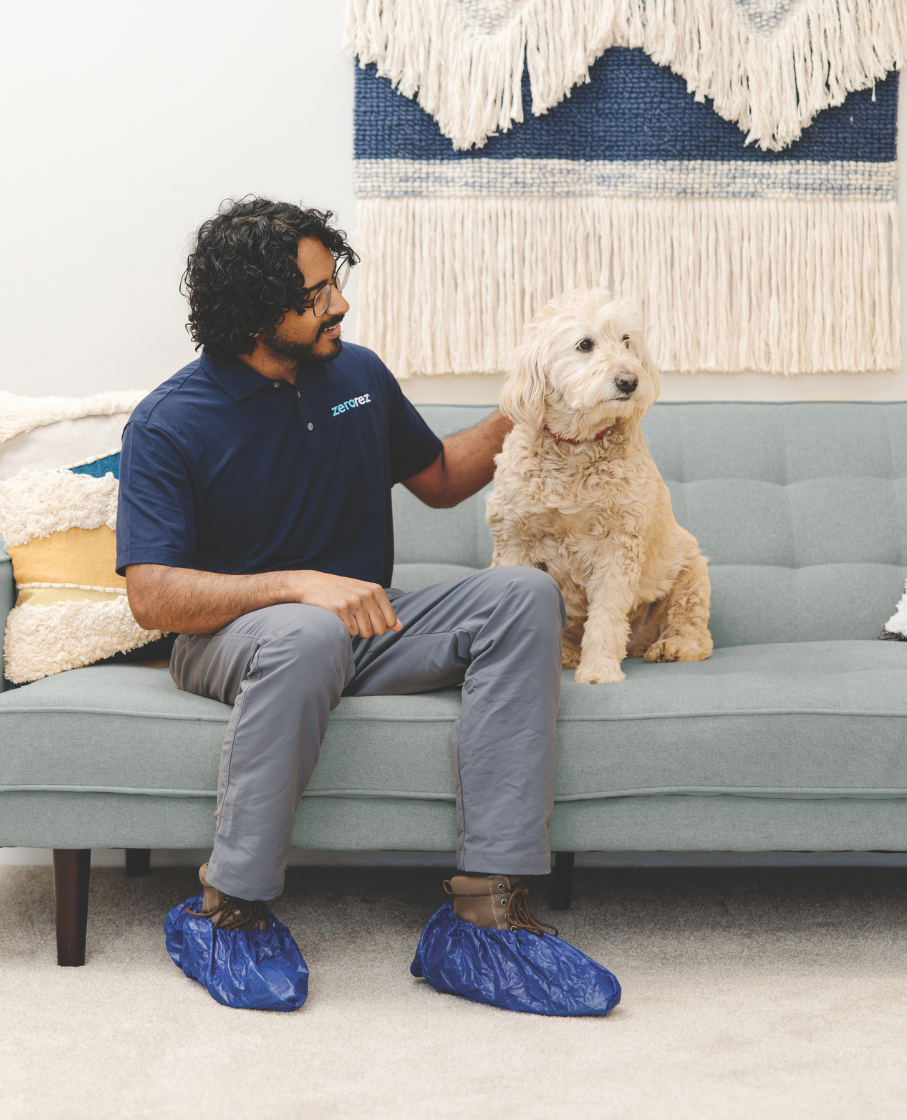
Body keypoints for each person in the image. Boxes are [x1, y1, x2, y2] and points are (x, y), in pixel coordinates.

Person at [116, 196, 619, 1016]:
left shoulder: (356, 376)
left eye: (335, 283)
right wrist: (295, 584)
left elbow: (442, 478)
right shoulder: (171, 422)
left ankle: (487, 919)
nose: (339, 304)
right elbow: (151, 597)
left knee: (525, 594)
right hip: (234, 637)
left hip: (368, 625)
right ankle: (227, 911)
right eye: (315, 295)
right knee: (308, 631)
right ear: (254, 311)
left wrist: (532, 403)